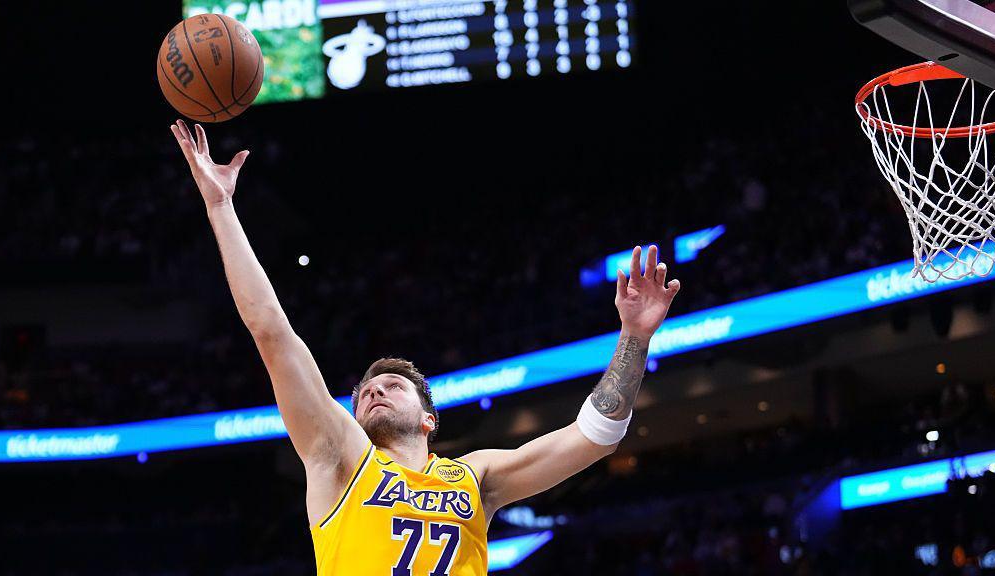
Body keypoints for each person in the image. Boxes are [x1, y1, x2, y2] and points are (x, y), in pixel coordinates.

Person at [170, 120, 681, 575]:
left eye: (392, 385)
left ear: (429, 419)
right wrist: (220, 205)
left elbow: (597, 436)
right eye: (365, 391)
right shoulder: (339, 455)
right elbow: (271, 331)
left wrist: (634, 337)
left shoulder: (476, 478)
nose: (373, 392)